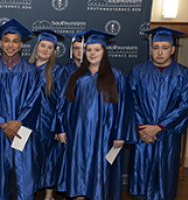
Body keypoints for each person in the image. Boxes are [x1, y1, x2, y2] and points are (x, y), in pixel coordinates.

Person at [57, 29, 137, 200]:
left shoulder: (116, 76)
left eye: (97, 50)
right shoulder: (76, 76)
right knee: (79, 173)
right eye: (89, 50)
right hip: (78, 134)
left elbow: (125, 107)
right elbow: (63, 104)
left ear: (104, 52)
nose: (92, 53)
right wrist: (62, 129)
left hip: (105, 135)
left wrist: (120, 135)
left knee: (102, 174)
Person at [0, 18, 40, 200]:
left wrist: (18, 122)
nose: (10, 45)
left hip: (22, 130)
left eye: (15, 41)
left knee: (23, 176)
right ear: (0, 43)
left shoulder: (31, 71)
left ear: (21, 45)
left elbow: (34, 100)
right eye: (6, 41)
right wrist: (3, 124)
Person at [128, 26, 188, 200]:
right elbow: (132, 101)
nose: (160, 52)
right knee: (140, 180)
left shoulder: (184, 74)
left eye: (164, 47)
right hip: (143, 135)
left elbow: (185, 105)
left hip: (167, 136)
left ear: (172, 49)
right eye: (156, 47)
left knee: (164, 180)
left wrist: (159, 127)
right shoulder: (138, 71)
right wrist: (143, 128)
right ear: (151, 49)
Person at [28, 30, 68, 200]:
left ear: (53, 51)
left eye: (49, 47)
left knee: (50, 158)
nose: (45, 49)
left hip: (48, 121)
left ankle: (49, 195)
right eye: (42, 45)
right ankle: (28, 191)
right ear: (36, 46)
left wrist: (60, 127)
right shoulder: (25, 68)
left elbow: (63, 101)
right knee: (29, 158)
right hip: (28, 123)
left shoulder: (58, 70)